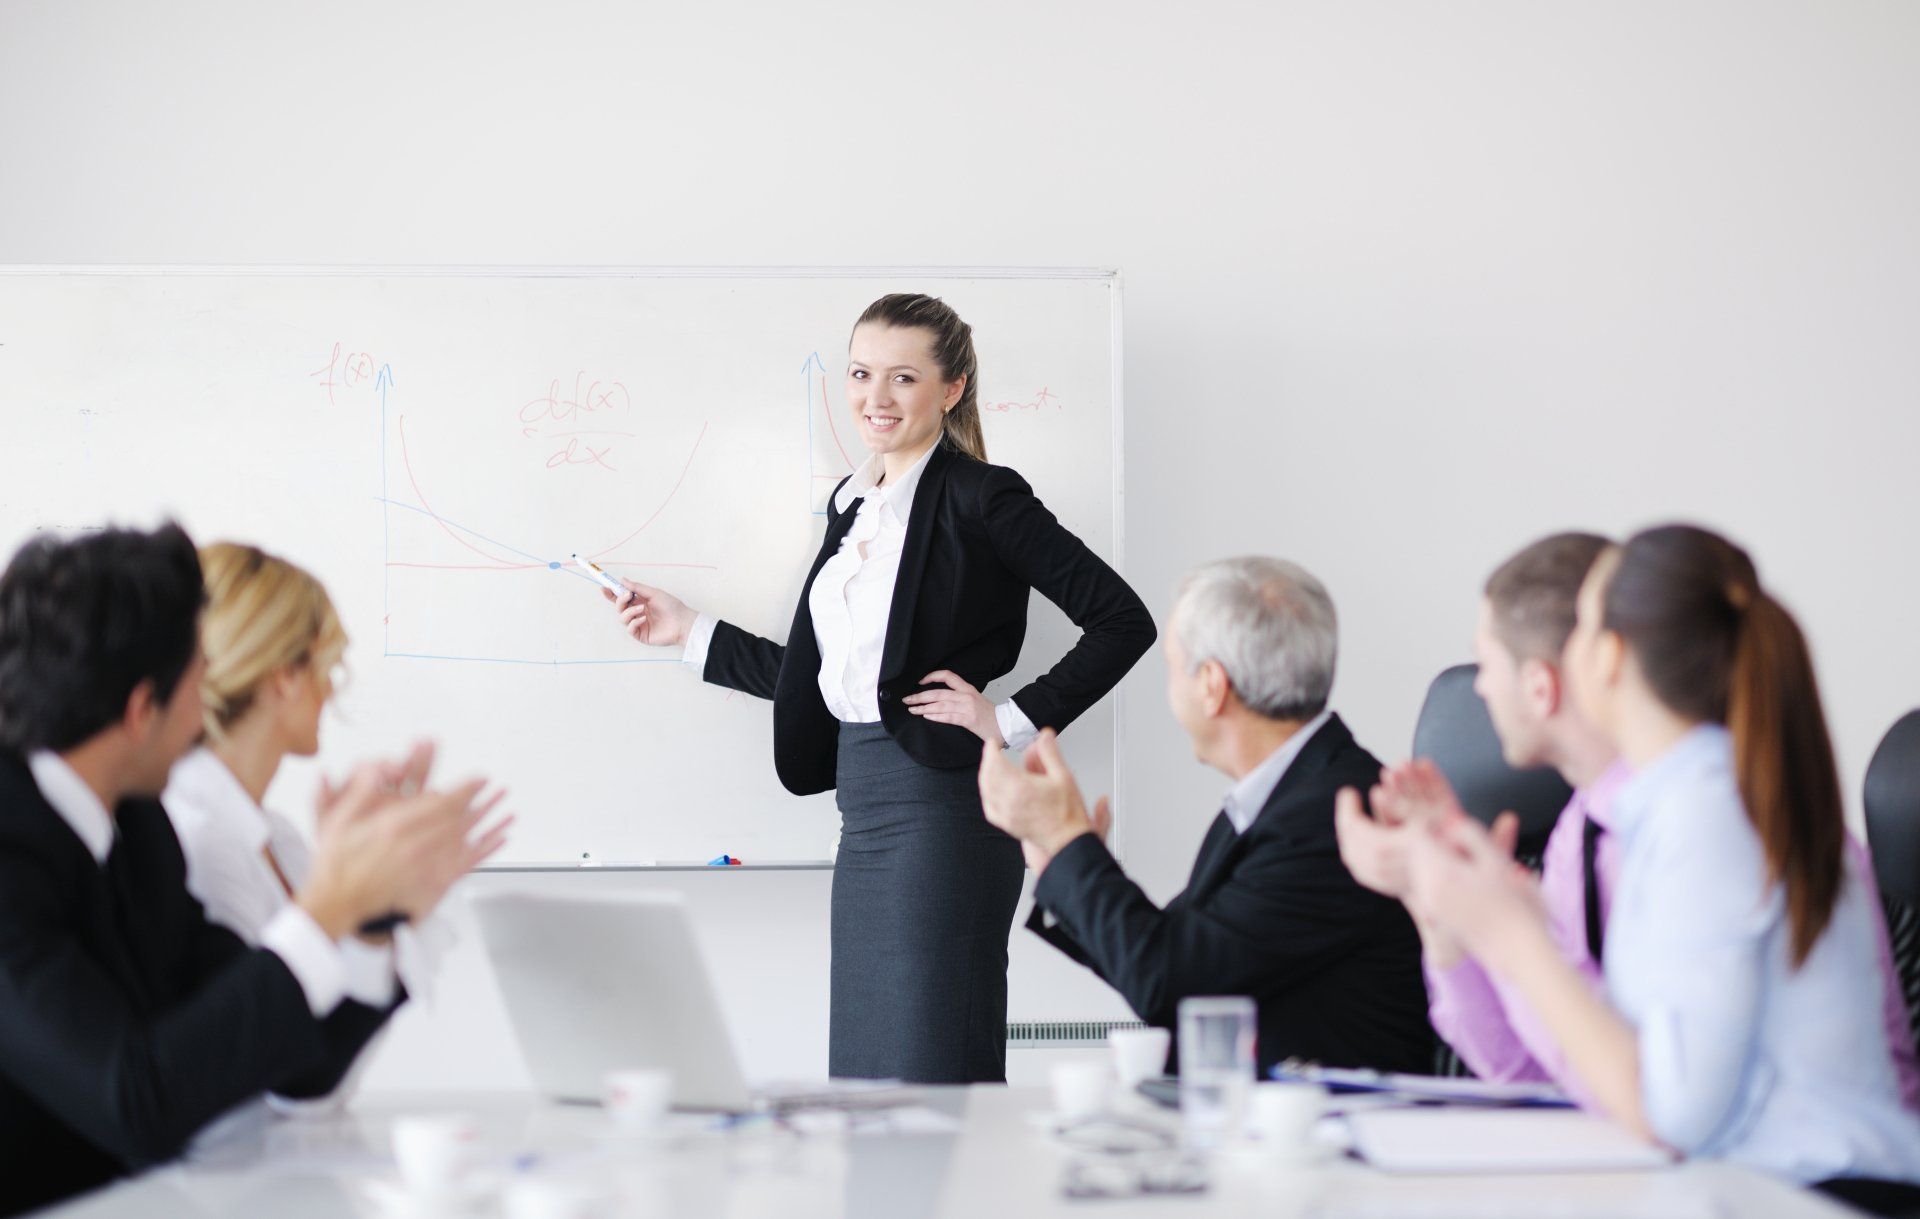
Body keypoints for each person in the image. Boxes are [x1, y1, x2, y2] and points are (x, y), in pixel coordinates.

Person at [606, 294, 1155, 1084]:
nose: (876, 397)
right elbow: (827, 677)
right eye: (862, 374)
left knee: (930, 1069)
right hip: (861, 816)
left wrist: (1005, 720)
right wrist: (688, 629)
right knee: (866, 1081)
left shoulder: (984, 496)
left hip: (945, 813)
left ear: (952, 389)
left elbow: (1122, 619)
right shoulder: (852, 506)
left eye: (904, 377)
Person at [0, 524, 499, 1216]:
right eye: (199, 685)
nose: (209, 715)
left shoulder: (140, 831)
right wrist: (323, 910)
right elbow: (136, 1099)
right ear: (145, 709)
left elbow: (293, 1065)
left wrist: (370, 914)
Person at [1399, 525, 1920, 1183]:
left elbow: (1674, 1115)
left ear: (1610, 656)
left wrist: (1513, 932)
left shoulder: (1713, 815)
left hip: (1814, 1193)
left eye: (1581, 626)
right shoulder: (1672, 808)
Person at [977, 557, 1431, 1075]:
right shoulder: (1287, 793)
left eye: (1173, 668)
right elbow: (1176, 951)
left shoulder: (1332, 816)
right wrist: (1063, 854)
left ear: (1211, 685)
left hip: (1333, 1133)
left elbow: (1171, 982)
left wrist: (1068, 842)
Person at [163, 542, 496, 1109]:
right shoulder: (194, 838)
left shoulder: (280, 839)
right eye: (327, 666)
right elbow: (261, 1075)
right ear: (284, 678)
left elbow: (325, 1070)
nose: (332, 690)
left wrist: (381, 912)